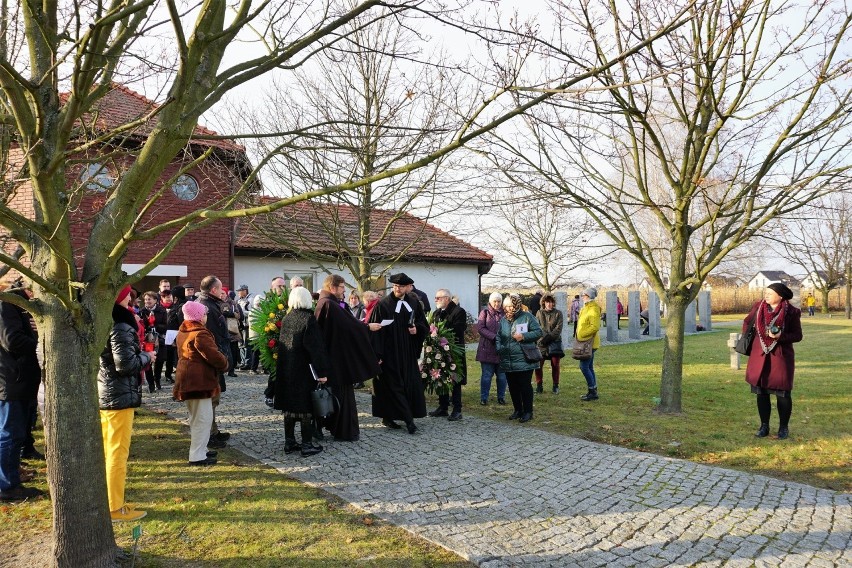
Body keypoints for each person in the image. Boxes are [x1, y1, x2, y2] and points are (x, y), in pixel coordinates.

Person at [99, 285, 154, 521]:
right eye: (128, 295)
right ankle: (114, 507)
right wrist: (147, 356)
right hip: (117, 395)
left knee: (112, 450)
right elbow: (124, 365)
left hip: (111, 393)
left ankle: (113, 501)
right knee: (117, 453)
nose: (131, 298)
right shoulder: (121, 324)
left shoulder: (107, 320)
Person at [314, 275, 381, 442]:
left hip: (334, 358)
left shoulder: (327, 303)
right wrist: (367, 326)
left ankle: (328, 427)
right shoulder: (329, 304)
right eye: (342, 287)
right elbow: (350, 326)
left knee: (336, 394)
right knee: (337, 395)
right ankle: (340, 430)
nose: (344, 290)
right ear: (333, 287)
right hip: (335, 360)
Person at [368, 273, 428, 434]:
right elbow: (375, 331)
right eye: (395, 286)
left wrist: (417, 329)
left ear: (407, 287)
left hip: (407, 352)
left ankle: (390, 416)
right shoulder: (383, 305)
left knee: (408, 384)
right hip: (389, 353)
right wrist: (377, 355)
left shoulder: (414, 302)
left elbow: (423, 324)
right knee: (393, 386)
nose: (397, 289)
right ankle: (409, 421)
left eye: (400, 286)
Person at [0, 281, 44, 502]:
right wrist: (39, 340)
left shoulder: (16, 306)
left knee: (16, 433)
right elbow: (12, 340)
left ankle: (11, 474)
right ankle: (6, 486)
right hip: (11, 380)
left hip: (19, 379)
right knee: (10, 434)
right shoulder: (6, 305)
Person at [275, 287, 331, 457]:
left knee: (290, 407)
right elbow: (316, 349)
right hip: (303, 370)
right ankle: (306, 445)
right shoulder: (309, 319)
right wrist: (322, 372)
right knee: (305, 407)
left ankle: (289, 442)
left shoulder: (287, 318)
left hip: (286, 369)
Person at [743, 283, 802, 440]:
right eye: (765, 292)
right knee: (761, 393)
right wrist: (753, 337)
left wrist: (780, 336)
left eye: (770, 293)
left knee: (783, 393)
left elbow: (798, 335)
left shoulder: (792, 312)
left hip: (780, 357)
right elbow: (746, 322)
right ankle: (764, 426)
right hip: (760, 355)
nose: (766, 295)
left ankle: (783, 428)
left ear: (780, 296)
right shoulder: (758, 307)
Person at [174, 301, 229, 466]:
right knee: (202, 419)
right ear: (198, 316)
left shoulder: (184, 330)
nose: (206, 317)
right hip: (198, 381)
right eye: (204, 314)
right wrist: (225, 363)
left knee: (197, 417)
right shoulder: (199, 333)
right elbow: (213, 355)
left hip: (188, 379)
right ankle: (197, 455)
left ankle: (201, 450)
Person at [196, 276, 232, 447]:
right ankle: (209, 435)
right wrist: (221, 357)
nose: (222, 290)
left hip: (216, 358)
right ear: (213, 290)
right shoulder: (206, 308)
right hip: (212, 361)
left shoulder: (210, 304)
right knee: (210, 399)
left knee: (214, 399)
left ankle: (214, 431)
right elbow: (213, 337)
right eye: (220, 288)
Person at [496, 293, 542, 423]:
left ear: (517, 305)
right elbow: (499, 336)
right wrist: (499, 348)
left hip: (524, 358)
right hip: (508, 358)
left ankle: (528, 412)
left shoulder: (527, 317)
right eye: (506, 306)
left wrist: (523, 336)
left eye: (511, 306)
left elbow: (539, 332)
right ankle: (517, 410)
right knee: (512, 386)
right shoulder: (504, 320)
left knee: (524, 386)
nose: (509, 309)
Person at [429, 289, 467, 421]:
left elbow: (458, 329)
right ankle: (443, 407)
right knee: (440, 377)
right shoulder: (436, 313)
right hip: (439, 351)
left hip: (453, 351)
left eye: (438, 298)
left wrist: (440, 332)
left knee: (455, 379)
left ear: (447, 298)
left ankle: (457, 409)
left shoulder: (458, 311)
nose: (435, 300)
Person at [475, 292, 507, 406]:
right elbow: (480, 328)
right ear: (490, 301)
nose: (497, 304)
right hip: (487, 349)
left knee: (502, 376)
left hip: (502, 350)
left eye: (499, 301)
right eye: (495, 301)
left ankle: (501, 397)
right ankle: (484, 398)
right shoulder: (484, 312)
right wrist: (494, 337)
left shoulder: (505, 313)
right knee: (487, 376)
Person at [535, 293, 564, 394]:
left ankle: (555, 385)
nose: (550, 304)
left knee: (555, 365)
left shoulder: (558, 313)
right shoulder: (539, 313)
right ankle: (539, 385)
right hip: (541, 343)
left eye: (551, 302)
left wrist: (550, 337)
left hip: (554, 342)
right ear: (544, 302)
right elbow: (537, 326)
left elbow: (559, 328)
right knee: (538, 365)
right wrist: (543, 338)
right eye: (548, 302)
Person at [577, 288, 602, 401]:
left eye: (584, 295)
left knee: (584, 367)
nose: (582, 296)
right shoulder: (586, 308)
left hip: (589, 343)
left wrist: (582, 334)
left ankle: (592, 391)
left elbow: (595, 327)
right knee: (589, 367)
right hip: (586, 342)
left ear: (589, 296)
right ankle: (593, 390)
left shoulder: (593, 309)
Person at [139, 291, 167, 392]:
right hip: (147, 340)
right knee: (148, 362)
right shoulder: (141, 311)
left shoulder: (162, 311)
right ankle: (151, 384)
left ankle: (157, 379)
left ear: (155, 300)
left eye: (149, 299)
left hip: (159, 339)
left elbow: (165, 326)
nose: (147, 301)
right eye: (146, 299)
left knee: (159, 360)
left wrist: (155, 326)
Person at [157, 279, 177, 383]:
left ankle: (168, 374)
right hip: (160, 336)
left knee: (170, 357)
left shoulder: (175, 308)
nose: (169, 299)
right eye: (166, 298)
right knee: (159, 359)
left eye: (170, 298)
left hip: (172, 336)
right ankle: (157, 378)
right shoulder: (158, 308)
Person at [236, 284, 253, 369]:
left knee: (246, 344)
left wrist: (242, 312)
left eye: (240, 291)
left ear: (245, 291)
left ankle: (247, 363)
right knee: (240, 344)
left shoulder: (250, 300)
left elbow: (252, 312)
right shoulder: (239, 300)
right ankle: (243, 362)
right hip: (240, 324)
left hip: (247, 324)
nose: (238, 293)